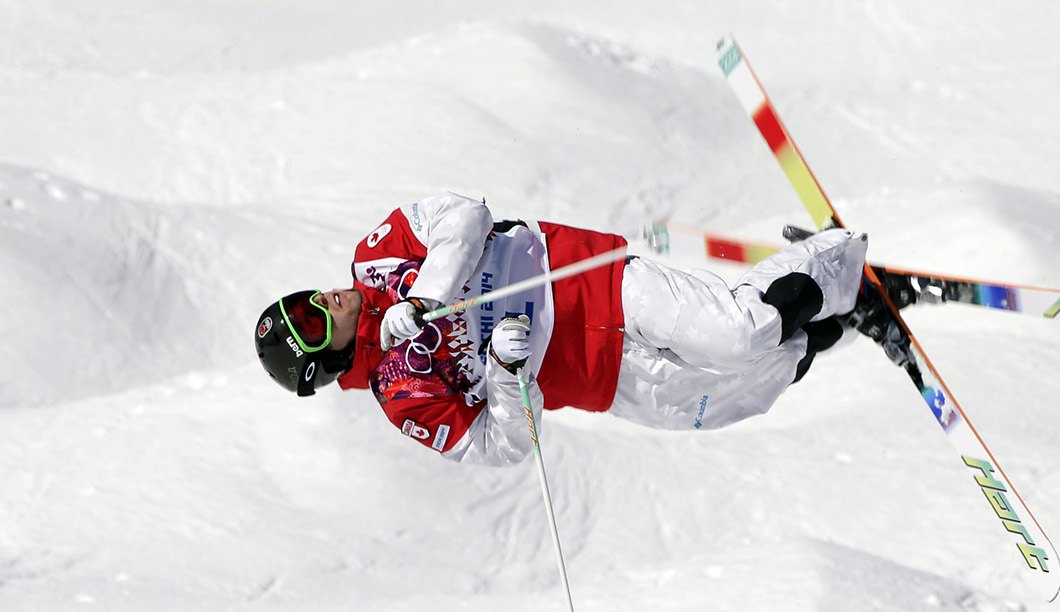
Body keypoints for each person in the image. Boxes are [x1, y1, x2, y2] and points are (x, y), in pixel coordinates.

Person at [254, 190, 913, 466]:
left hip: (584, 282)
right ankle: (837, 312)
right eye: (313, 320)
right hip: (600, 377)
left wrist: (426, 294)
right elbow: (505, 446)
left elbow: (465, 215)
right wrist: (509, 379)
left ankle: (840, 258)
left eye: (306, 298)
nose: (328, 299)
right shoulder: (404, 399)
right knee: (730, 398)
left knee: (737, 332)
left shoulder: (378, 260)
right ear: (326, 361)